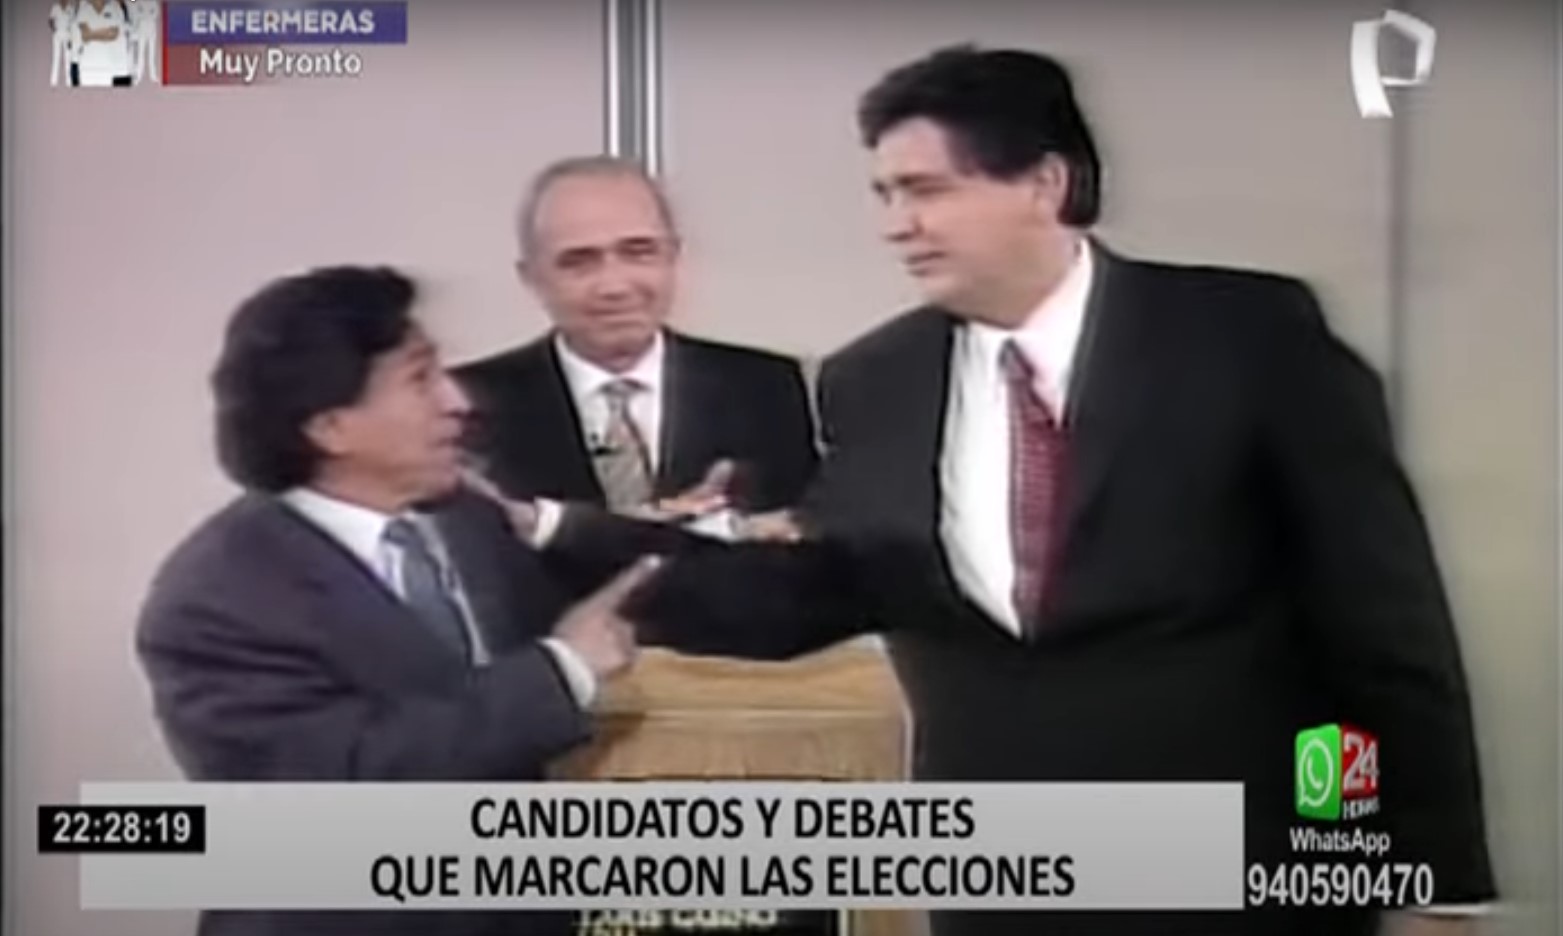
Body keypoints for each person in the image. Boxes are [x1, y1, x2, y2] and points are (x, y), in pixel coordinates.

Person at [515, 45, 1497, 936]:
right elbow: (823, 594)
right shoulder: (874, 380)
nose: (895, 225)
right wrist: (569, 537)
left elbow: (1376, 628)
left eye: (924, 190)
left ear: (1044, 183)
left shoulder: (1248, 338)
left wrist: (1415, 877)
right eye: (883, 194)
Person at [135, 265, 661, 936]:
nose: (456, 401)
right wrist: (561, 671)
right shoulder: (216, 601)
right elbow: (346, 795)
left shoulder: (466, 514)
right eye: (420, 378)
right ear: (330, 426)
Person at [454, 156, 818, 532]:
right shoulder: (465, 404)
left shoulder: (765, 387)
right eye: (578, 262)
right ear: (531, 277)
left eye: (638, 252)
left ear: (673, 257)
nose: (614, 286)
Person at [70, 0, 131, 87]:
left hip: (108, 69)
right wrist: (104, 33)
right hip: (87, 68)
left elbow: (113, 34)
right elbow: (85, 35)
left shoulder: (114, 9)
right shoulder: (84, 10)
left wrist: (91, 34)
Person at [49, 0, 77, 87]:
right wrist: (54, 30)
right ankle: (53, 82)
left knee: (67, 58)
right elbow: (50, 20)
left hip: (67, 34)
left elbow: (73, 24)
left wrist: (72, 38)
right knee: (56, 57)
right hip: (58, 33)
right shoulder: (55, 7)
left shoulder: (71, 9)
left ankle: (69, 82)